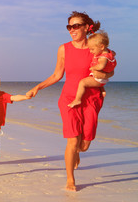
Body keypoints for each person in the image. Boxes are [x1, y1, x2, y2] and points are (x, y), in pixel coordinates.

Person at [26, 11, 114, 191]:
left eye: (75, 26)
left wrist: (106, 75)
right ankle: (70, 180)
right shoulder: (63, 48)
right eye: (69, 27)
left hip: (91, 98)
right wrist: (38, 87)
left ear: (86, 27)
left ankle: (77, 153)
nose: (71, 30)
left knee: (85, 144)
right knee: (72, 141)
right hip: (68, 98)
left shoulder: (96, 47)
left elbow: (111, 68)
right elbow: (57, 75)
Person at [68, 31, 117, 108]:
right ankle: (102, 89)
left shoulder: (102, 58)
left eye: (92, 49)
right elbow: (114, 53)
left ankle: (77, 99)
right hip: (102, 79)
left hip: (99, 78)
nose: (91, 51)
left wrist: (93, 68)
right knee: (93, 79)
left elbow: (101, 66)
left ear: (101, 47)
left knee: (82, 83)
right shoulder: (108, 51)